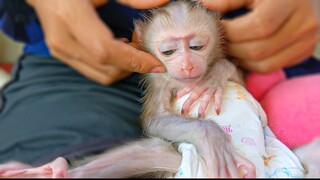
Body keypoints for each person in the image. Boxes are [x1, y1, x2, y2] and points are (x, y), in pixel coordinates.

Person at [0, 0, 319, 168]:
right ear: (144, 42)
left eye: (195, 47)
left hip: (268, 58)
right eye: (170, 51)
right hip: (77, 65)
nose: (186, 62)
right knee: (60, 164)